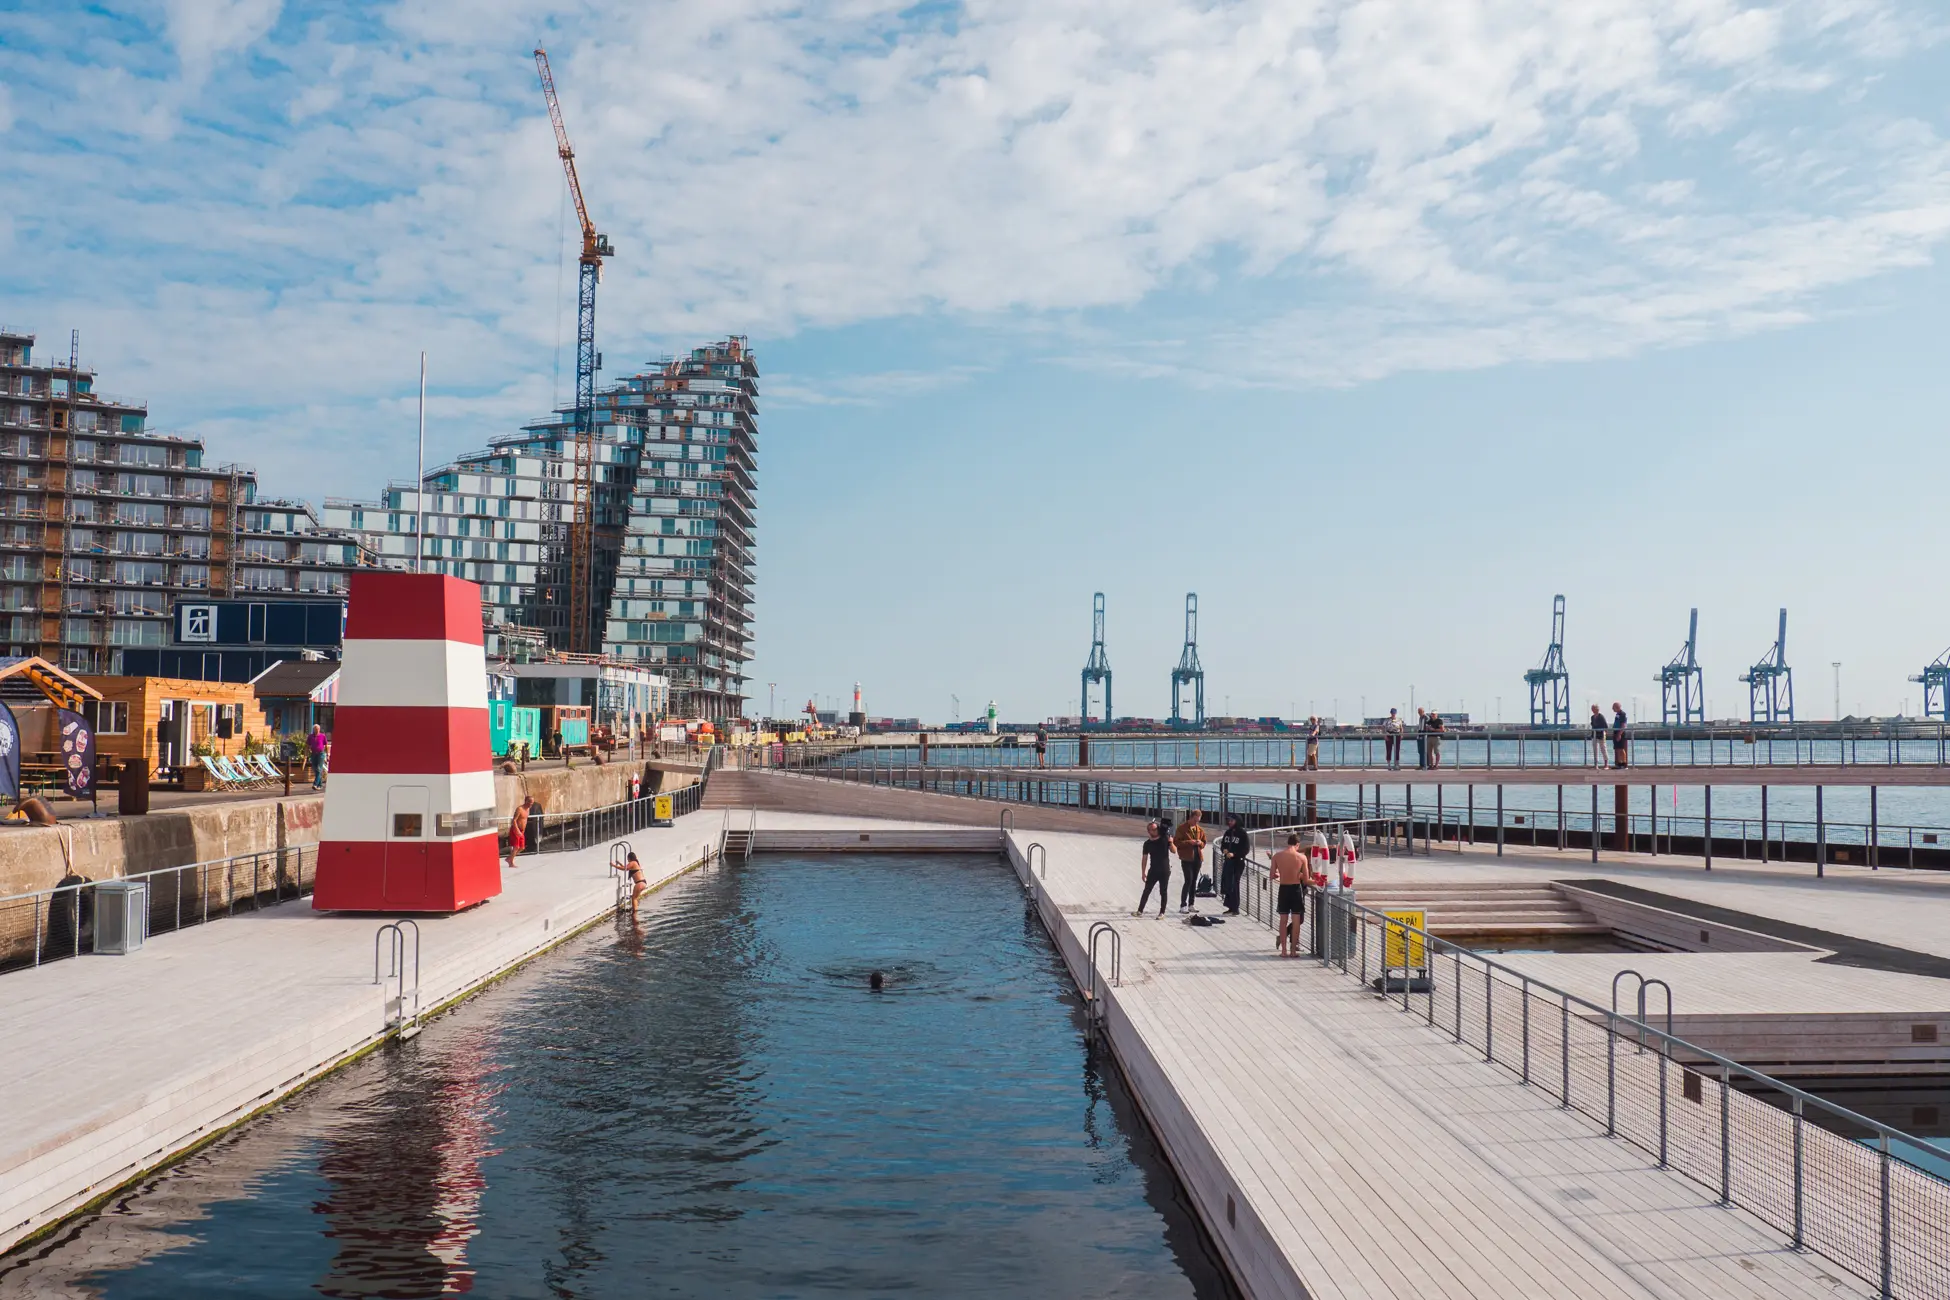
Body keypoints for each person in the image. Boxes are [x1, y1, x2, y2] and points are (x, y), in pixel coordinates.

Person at [1270, 833, 1308, 957]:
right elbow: (1306, 879)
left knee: (1283, 920)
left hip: (1284, 888)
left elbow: (1272, 875)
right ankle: (1293, 951)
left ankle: (1283, 951)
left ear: (1288, 843)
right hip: (1296, 889)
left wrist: (1278, 874)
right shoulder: (1302, 858)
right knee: (1296, 920)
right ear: (1297, 845)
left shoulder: (1277, 856)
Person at [1136, 820, 1174, 916]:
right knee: (1147, 890)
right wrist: (1143, 872)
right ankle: (1140, 911)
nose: (1155, 831)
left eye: (1156, 829)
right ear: (1149, 831)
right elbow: (1144, 858)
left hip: (1165, 870)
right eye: (1152, 829)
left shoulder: (1165, 839)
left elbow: (1174, 851)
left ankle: (1162, 912)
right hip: (1153, 870)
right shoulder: (1147, 844)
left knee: (1163, 891)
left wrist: (1171, 843)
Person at [1172, 810, 1208, 912]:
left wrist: (1200, 843)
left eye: (1198, 821)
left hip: (1197, 858)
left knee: (1194, 881)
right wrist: (1189, 842)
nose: (1196, 822)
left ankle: (1191, 904)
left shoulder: (1199, 830)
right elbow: (1176, 842)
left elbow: (1204, 842)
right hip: (1186, 858)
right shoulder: (1182, 828)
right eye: (1195, 820)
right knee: (1188, 880)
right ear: (1191, 817)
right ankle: (1183, 905)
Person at [1217, 813, 1249, 915]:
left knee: (1234, 883)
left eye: (1232, 821)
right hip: (1228, 862)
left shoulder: (1243, 834)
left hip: (1238, 862)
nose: (1229, 822)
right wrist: (1224, 850)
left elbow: (1246, 849)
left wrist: (1234, 854)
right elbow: (1223, 845)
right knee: (1227, 883)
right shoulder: (1228, 832)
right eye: (1229, 821)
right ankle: (1230, 906)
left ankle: (1236, 908)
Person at [613, 848, 647, 913]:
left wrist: (614, 865)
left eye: (627, 858)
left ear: (629, 858)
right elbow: (626, 868)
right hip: (643, 883)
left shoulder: (633, 862)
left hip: (639, 883)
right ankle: (635, 911)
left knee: (634, 898)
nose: (627, 859)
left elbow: (625, 868)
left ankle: (634, 913)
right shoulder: (635, 863)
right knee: (635, 898)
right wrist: (619, 863)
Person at [505, 795, 534, 871]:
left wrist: (523, 830)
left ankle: (509, 858)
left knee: (522, 847)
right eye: (530, 802)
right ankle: (511, 863)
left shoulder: (528, 809)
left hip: (522, 831)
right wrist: (517, 830)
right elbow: (514, 820)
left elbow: (525, 820)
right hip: (516, 829)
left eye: (532, 803)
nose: (532, 804)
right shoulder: (519, 809)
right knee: (516, 847)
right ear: (526, 801)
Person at [307, 724, 328, 790]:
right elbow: (307, 745)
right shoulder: (310, 736)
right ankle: (320, 785)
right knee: (315, 769)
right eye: (315, 729)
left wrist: (327, 755)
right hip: (313, 753)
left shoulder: (322, 736)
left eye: (317, 729)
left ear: (319, 729)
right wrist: (307, 753)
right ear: (313, 729)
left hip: (321, 754)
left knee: (319, 768)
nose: (316, 730)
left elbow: (326, 745)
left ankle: (315, 784)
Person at [1611, 702, 1629, 769]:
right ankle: (1619, 763)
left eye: (1613, 707)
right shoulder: (1617, 714)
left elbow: (1623, 725)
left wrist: (1619, 734)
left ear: (1617, 707)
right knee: (1617, 748)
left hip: (1620, 733)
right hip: (1616, 732)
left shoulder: (1622, 714)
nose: (1612, 709)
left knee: (1621, 748)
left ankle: (1624, 763)